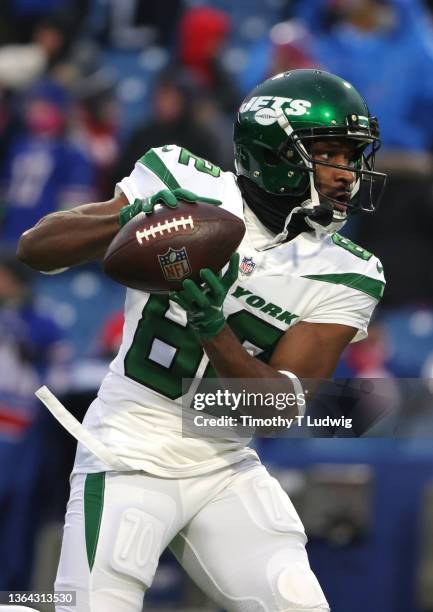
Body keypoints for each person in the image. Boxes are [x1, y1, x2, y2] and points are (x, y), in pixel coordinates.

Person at [17, 69, 387, 612]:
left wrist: (214, 328)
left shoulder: (349, 272)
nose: (346, 173)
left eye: (352, 156)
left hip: (223, 463)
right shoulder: (182, 178)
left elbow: (278, 410)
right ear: (276, 153)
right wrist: (129, 220)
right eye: (329, 154)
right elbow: (34, 250)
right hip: (127, 447)